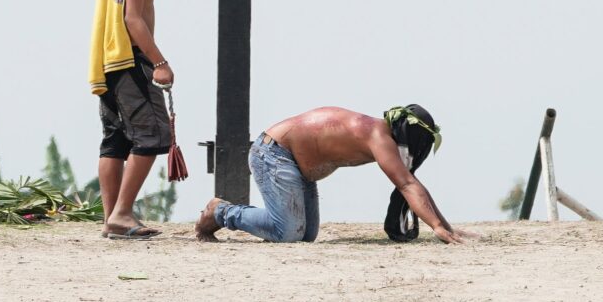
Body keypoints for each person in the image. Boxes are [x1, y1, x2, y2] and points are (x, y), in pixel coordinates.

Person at [197, 104, 466, 245]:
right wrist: (437, 227)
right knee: (287, 233)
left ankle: (226, 213)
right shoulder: (379, 137)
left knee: (305, 235)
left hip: (297, 165)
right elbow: (407, 184)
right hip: (275, 153)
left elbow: (414, 183)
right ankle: (221, 211)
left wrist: (445, 226)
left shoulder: (381, 135)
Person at [88, 0, 183, 239]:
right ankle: (123, 213)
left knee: (114, 140)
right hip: (131, 62)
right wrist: (159, 62)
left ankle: (112, 219)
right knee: (153, 134)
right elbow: (132, 19)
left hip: (110, 63)